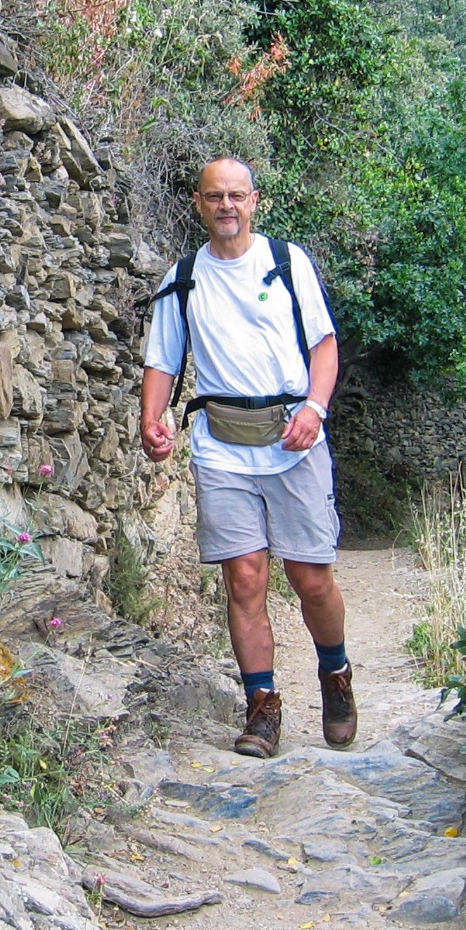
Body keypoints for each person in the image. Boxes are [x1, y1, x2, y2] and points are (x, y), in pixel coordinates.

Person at [139, 155, 355, 758]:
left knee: (311, 579)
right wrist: (149, 420)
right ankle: (262, 707)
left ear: (254, 200)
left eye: (236, 196)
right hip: (220, 445)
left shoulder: (287, 264)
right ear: (198, 202)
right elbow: (162, 359)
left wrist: (314, 408)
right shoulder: (181, 279)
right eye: (215, 197)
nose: (226, 206)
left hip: (294, 440)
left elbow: (325, 347)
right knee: (245, 578)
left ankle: (335, 676)